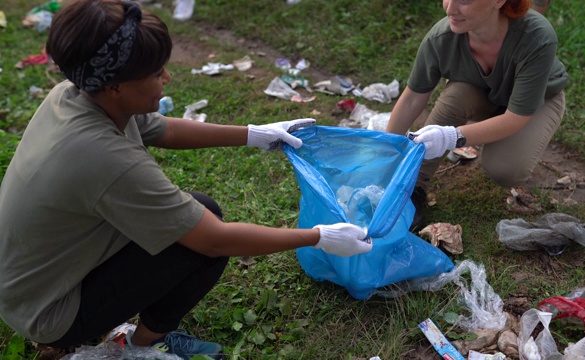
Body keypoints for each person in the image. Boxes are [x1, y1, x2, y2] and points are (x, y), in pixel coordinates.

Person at [0, 0, 372, 359]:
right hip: (50, 313)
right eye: (155, 72)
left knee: (196, 214)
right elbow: (214, 241)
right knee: (196, 241)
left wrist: (253, 133)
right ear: (115, 85)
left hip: (28, 283)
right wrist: (319, 237)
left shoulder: (75, 93)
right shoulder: (105, 159)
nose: (167, 77)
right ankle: (141, 344)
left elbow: (163, 130)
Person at [386, 0, 568, 230]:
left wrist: (452, 137)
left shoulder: (536, 36)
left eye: (464, 0)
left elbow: (515, 118)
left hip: (537, 102)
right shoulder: (441, 38)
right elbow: (412, 99)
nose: (450, 9)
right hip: (480, 92)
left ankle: (505, 144)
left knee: (506, 170)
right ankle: (415, 186)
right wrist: (383, 152)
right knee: (455, 97)